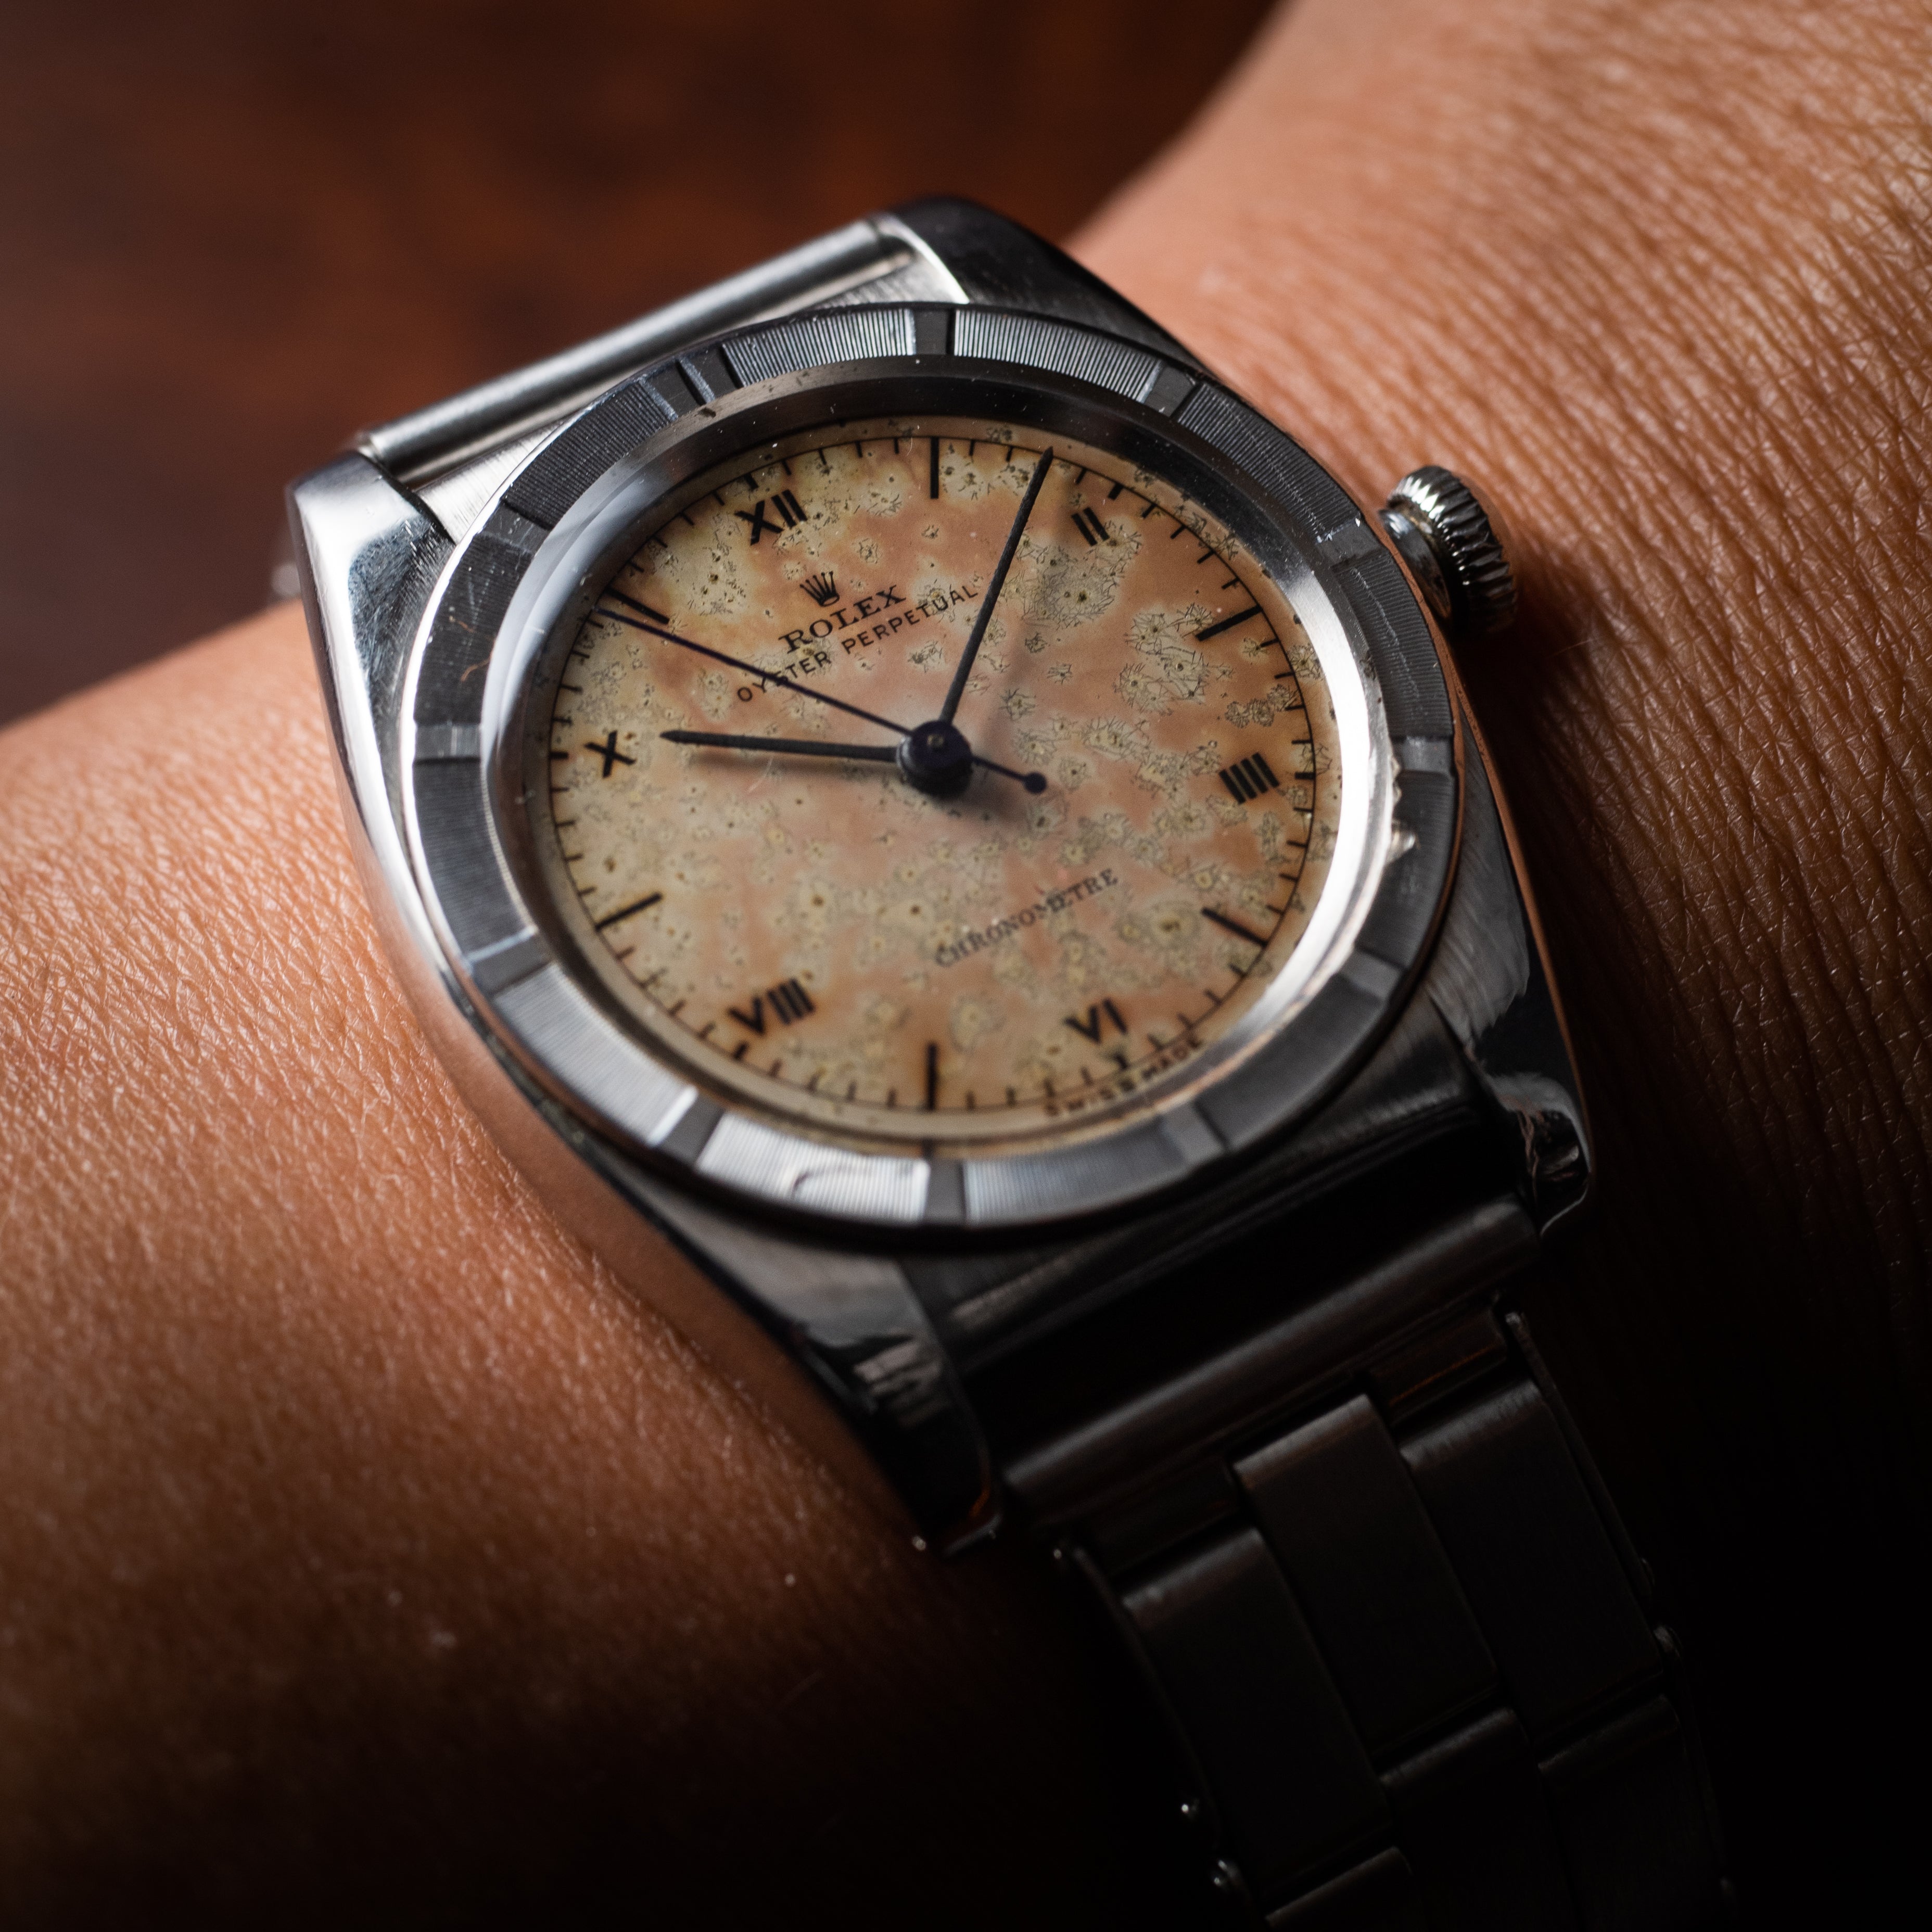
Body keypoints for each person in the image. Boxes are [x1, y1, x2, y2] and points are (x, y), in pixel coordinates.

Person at [2, 0, 1925, 1922]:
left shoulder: (948, 317)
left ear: (1408, 563)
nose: (929, 750)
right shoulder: (431, 562)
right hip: (1035, 1328)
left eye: (931, 734)